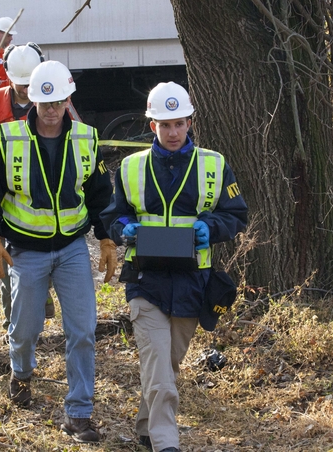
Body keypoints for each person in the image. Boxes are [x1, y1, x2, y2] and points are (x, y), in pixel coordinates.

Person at [0, 60, 117, 443]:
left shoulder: (87, 139)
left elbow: (102, 197)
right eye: (44, 103)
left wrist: (106, 239)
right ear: (32, 101)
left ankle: (79, 414)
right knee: (24, 330)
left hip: (71, 248)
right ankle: (21, 374)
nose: (52, 111)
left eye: (58, 103)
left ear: (68, 100)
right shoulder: (9, 140)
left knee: (83, 331)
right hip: (26, 251)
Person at [100, 82, 248, 452]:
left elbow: (236, 214)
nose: (172, 132)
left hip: (192, 282)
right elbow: (112, 215)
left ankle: (145, 430)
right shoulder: (131, 167)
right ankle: (166, 443)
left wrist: (210, 228)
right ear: (152, 126)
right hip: (144, 282)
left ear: (190, 123)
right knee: (161, 375)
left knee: (167, 367)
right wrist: (123, 229)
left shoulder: (214, 164)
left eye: (179, 124)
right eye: (164, 125)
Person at [0, 42, 81, 330]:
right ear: (8, 75)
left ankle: (39, 297)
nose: (23, 89)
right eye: (19, 84)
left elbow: (75, 142)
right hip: (8, 196)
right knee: (12, 266)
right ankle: (15, 324)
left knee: (45, 259)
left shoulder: (57, 100)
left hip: (49, 198)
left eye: (28, 84)